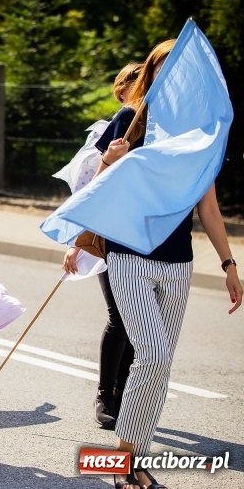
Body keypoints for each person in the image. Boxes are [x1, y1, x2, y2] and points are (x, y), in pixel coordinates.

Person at [93, 40, 242, 489]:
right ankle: (123, 462)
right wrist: (109, 161)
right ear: (152, 74)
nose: (174, 76)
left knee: (160, 366)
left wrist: (229, 265)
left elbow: (208, 208)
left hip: (178, 262)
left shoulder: (199, 133)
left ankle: (134, 461)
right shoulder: (130, 120)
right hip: (128, 254)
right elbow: (96, 190)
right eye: (164, 68)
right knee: (152, 355)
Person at [62, 62, 141, 430]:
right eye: (136, 82)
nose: (144, 89)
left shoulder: (157, 128)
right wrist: (77, 240)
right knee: (119, 316)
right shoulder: (114, 128)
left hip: (142, 234)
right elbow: (87, 189)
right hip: (108, 233)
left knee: (135, 319)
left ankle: (125, 393)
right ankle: (106, 394)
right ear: (121, 91)